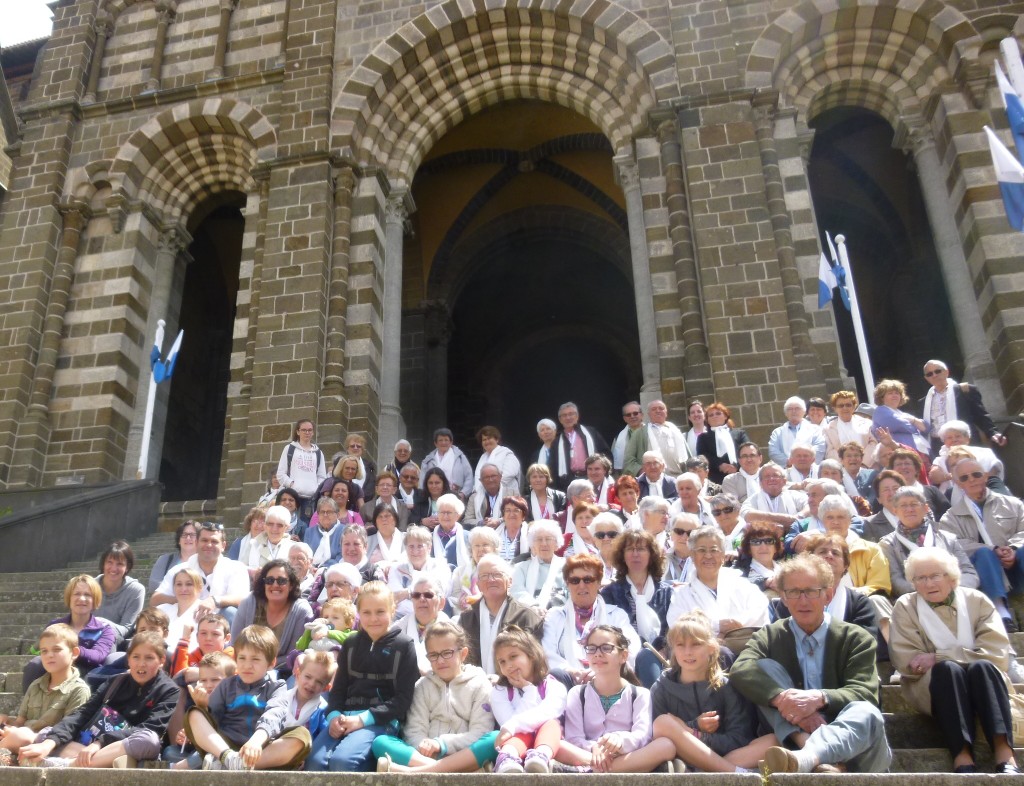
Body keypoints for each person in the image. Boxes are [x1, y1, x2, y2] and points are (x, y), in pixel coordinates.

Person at [730, 554, 892, 774]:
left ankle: (811, 756)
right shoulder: (770, 635)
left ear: (828, 595)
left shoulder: (856, 637)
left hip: (857, 754)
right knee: (764, 669)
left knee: (866, 711)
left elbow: (865, 692)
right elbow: (740, 669)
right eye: (794, 592)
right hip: (795, 745)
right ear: (783, 598)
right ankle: (811, 753)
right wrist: (783, 699)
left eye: (811, 591)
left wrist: (818, 698)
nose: (803, 600)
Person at [890, 547, 1019, 773]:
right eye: (920, 578)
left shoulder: (976, 600)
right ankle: (962, 754)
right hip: (933, 685)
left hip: (983, 679)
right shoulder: (905, 606)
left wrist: (939, 656)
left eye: (935, 576)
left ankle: (1004, 752)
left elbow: (995, 652)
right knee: (948, 670)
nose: (928, 584)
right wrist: (946, 661)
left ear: (951, 577)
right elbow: (908, 660)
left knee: (982, 667)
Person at [18, 632, 178, 769]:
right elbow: (83, 713)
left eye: (149, 658)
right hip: (90, 746)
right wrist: (50, 743)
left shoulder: (169, 690)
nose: (141, 664)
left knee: (149, 740)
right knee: (45, 734)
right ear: (128, 660)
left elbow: (151, 728)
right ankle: (90, 761)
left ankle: (69, 764)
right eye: (136, 657)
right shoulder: (116, 682)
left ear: (161, 661)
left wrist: (100, 743)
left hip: (125, 747)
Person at [307, 583, 419, 772]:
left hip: (380, 721)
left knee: (343, 762)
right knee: (315, 762)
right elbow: (338, 690)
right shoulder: (351, 643)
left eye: (380, 612)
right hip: (344, 717)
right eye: (367, 612)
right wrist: (334, 717)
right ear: (358, 613)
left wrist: (362, 720)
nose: (373, 619)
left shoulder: (404, 646)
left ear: (392, 610)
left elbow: (403, 699)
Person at [651, 612, 775, 773]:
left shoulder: (728, 687)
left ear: (712, 648)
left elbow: (740, 739)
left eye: (696, 644)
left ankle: (708, 773)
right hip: (683, 758)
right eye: (680, 645)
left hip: (727, 757)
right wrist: (695, 725)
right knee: (663, 723)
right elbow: (656, 739)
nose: (688, 652)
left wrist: (695, 733)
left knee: (772, 741)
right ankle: (734, 773)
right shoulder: (661, 688)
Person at [372, 621, 498, 773]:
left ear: (463, 654)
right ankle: (443, 772)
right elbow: (413, 732)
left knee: (494, 739)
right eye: (433, 655)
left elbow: (481, 732)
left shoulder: (480, 683)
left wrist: (442, 744)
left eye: (447, 653)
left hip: (466, 755)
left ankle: (414, 772)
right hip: (428, 757)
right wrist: (425, 746)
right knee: (381, 742)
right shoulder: (422, 686)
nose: (440, 660)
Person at [554, 625, 671, 773]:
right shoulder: (577, 693)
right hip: (590, 754)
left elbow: (643, 736)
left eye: (606, 648)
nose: (598, 654)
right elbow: (574, 738)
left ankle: (592, 771)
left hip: (627, 755)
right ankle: (603, 768)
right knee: (557, 744)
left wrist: (619, 741)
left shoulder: (640, 694)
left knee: (666, 745)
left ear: (623, 656)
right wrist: (596, 747)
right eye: (592, 648)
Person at [185, 625, 292, 771]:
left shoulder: (277, 687)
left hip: (260, 746)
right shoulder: (227, 685)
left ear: (271, 663)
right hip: (224, 746)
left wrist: (256, 741)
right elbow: (213, 720)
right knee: (194, 713)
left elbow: (274, 714)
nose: (247, 665)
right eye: (242, 658)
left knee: (302, 737)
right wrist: (203, 706)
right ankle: (229, 759)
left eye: (255, 659)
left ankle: (240, 764)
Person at [939, 457, 1024, 632]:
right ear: (958, 483)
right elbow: (953, 544)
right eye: (964, 477)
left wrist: (1013, 548)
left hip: (1015, 564)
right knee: (985, 554)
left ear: (985, 476)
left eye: (976, 474)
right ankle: (1002, 612)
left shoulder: (1013, 504)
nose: (971, 479)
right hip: (984, 571)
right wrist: (992, 549)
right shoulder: (951, 517)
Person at [541, 553, 641, 687]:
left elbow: (631, 648)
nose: (581, 585)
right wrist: (572, 672)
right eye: (575, 580)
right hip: (568, 682)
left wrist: (601, 671)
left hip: (610, 681)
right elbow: (547, 654)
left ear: (599, 583)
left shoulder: (616, 614)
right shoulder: (554, 616)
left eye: (588, 580)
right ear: (567, 584)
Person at [665, 526, 769, 654]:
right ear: (692, 555)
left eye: (714, 550)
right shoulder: (682, 594)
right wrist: (717, 626)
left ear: (723, 554)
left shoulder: (743, 585)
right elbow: (678, 626)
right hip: (704, 658)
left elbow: (760, 610)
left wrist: (735, 629)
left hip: (748, 652)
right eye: (701, 550)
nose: (708, 556)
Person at [0, 624, 91, 766]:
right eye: (44, 651)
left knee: (23, 735)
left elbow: (69, 731)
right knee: (19, 733)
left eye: (57, 649)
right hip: (22, 739)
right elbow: (20, 721)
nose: (49, 655)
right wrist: (8, 725)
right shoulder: (35, 685)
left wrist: (19, 735)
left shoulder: (79, 690)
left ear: (74, 653)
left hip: (52, 744)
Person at [600, 530, 673, 688]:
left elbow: (672, 629)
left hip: (662, 656)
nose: (635, 554)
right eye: (629, 549)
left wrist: (663, 651)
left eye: (641, 549)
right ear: (622, 555)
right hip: (624, 659)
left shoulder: (667, 592)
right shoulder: (609, 593)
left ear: (651, 555)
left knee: (647, 657)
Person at [491, 625, 568, 773]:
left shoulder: (554, 686)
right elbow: (511, 728)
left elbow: (547, 712)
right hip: (517, 744)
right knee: (521, 730)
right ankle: (507, 758)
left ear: (531, 655)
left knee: (550, 723)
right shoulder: (499, 692)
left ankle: (539, 758)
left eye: (513, 657)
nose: (508, 665)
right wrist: (529, 691)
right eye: (502, 661)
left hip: (549, 745)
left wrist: (512, 725)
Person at [878, 486, 977, 599]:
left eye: (914, 504)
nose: (909, 509)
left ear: (925, 508)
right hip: (917, 600)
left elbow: (968, 571)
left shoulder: (947, 538)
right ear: (895, 511)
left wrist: (952, 589)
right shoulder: (887, 545)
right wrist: (927, 592)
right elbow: (895, 580)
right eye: (903, 505)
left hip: (954, 595)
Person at [23, 575, 114, 691]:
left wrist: (70, 650)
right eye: (77, 594)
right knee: (35, 664)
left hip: (86, 673)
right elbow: (44, 650)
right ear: (69, 598)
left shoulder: (104, 629)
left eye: (87, 595)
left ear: (95, 600)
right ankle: (29, 701)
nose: (82, 598)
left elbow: (98, 655)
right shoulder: (55, 625)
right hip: (56, 669)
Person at [153, 523, 253, 625]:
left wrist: (214, 600)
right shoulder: (180, 570)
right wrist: (186, 599)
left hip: (219, 625)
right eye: (204, 540)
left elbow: (243, 598)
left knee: (231, 612)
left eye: (214, 541)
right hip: (185, 620)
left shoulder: (236, 568)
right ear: (196, 543)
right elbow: (155, 600)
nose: (209, 545)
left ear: (223, 546)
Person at [459, 554, 543, 672]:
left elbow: (536, 660)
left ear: (510, 581)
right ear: (478, 584)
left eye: (497, 574)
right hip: (476, 681)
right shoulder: (467, 618)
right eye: (484, 576)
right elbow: (462, 658)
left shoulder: (527, 616)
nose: (491, 580)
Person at [231, 561, 313, 674]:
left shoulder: (301, 611)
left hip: (282, 671)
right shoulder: (249, 603)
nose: (275, 585)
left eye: (281, 581)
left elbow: (294, 654)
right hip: (244, 667)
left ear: (291, 585)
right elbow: (235, 644)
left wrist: (263, 667)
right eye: (269, 580)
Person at [920, 359, 1005, 455]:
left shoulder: (964, 391)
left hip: (965, 443)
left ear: (946, 372)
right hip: (938, 447)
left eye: (937, 371)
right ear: (926, 378)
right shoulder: (924, 402)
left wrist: (993, 433)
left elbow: (980, 415)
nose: (934, 375)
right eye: (929, 374)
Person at [929, 420, 1007, 498]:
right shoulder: (940, 459)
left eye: (958, 436)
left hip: (986, 491)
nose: (954, 440)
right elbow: (934, 477)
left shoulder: (985, 452)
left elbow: (993, 475)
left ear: (967, 438)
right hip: (951, 496)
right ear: (944, 442)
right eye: (949, 437)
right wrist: (955, 476)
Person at [390, 575, 450, 675]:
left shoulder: (453, 630)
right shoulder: (398, 629)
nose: (421, 599)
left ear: (442, 602)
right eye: (416, 595)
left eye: (428, 595)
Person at [388, 526, 452, 612]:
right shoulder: (396, 568)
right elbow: (394, 598)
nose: (415, 551)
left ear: (429, 548)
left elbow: (441, 592)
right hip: (402, 615)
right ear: (406, 548)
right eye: (411, 546)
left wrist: (408, 592)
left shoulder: (440, 565)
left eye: (420, 546)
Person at [549, 401, 610, 490]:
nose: (568, 417)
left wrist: (604, 473)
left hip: (591, 477)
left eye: (571, 414)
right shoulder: (557, 441)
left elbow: (605, 454)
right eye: (564, 415)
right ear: (560, 419)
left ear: (577, 416)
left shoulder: (591, 433)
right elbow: (553, 466)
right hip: (568, 481)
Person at [276, 419, 328, 521]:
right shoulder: (289, 449)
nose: (307, 432)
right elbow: (281, 474)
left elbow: (322, 476)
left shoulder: (318, 453)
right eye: (304, 430)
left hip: (311, 500)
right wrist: (292, 485)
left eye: (310, 430)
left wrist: (316, 489)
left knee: (306, 527)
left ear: (313, 432)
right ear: (298, 432)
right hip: (292, 498)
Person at [95, 540, 146, 645]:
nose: (114, 568)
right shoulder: (89, 586)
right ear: (103, 564)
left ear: (127, 567)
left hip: (115, 643)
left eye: (120, 564)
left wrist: (99, 622)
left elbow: (126, 629)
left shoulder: (136, 590)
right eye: (109, 562)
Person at [510, 520, 567, 611]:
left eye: (548, 539)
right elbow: (517, 591)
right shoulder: (520, 568)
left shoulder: (567, 566)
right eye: (539, 539)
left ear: (556, 544)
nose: (543, 543)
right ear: (533, 545)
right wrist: (534, 607)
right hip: (531, 613)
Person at [625, 399, 689, 477]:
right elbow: (629, 460)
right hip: (653, 478)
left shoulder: (676, 431)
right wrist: (641, 471)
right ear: (649, 414)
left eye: (661, 408)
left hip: (678, 477)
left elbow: (688, 457)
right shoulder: (639, 433)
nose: (658, 411)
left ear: (666, 412)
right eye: (654, 409)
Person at [872, 379, 930, 460]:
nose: (894, 395)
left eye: (897, 393)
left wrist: (913, 421)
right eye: (890, 393)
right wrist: (915, 424)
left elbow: (926, 427)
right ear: (882, 397)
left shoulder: (902, 413)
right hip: (899, 455)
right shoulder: (880, 411)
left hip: (919, 452)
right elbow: (898, 424)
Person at [739, 463, 807, 530]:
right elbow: (747, 515)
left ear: (784, 481)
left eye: (775, 475)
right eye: (767, 476)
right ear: (760, 483)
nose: (771, 479)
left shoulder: (794, 495)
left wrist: (800, 516)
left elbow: (809, 506)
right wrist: (788, 519)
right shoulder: (753, 499)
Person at [449, 526, 500, 613]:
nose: (480, 549)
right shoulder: (460, 571)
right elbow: (455, 594)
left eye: (485, 545)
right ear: (471, 550)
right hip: (464, 614)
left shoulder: (503, 571)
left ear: (494, 548)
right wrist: (465, 601)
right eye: (476, 545)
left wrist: (479, 599)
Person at [696, 402, 749, 484]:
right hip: (716, 478)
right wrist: (720, 465)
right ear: (707, 420)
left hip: (740, 474)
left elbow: (747, 450)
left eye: (718, 413)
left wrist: (736, 466)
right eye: (711, 415)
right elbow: (702, 456)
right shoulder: (703, 437)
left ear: (725, 416)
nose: (715, 416)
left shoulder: (739, 434)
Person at [823, 391, 878, 465]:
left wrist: (863, 463)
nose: (845, 408)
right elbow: (830, 451)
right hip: (842, 468)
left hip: (866, 466)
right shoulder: (828, 429)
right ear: (835, 408)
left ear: (854, 406)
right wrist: (845, 464)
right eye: (841, 406)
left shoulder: (868, 423)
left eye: (848, 405)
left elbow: (873, 444)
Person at [767, 397, 826, 465]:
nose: (793, 411)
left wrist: (805, 464)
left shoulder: (815, 430)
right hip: (786, 469)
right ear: (786, 413)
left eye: (797, 408)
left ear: (804, 412)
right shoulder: (777, 432)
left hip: (810, 468)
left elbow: (820, 448)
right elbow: (773, 451)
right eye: (790, 409)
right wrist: (788, 462)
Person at [157, 568, 204, 651]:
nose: (183, 589)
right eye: (179, 584)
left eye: (189, 584)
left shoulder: (205, 614)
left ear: (200, 587)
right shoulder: (161, 610)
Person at [420, 428, 473, 498]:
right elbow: (422, 480)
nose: (443, 443)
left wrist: (463, 494)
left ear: (451, 442)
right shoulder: (428, 460)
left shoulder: (460, 457)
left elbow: (469, 477)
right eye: (440, 440)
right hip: (433, 496)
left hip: (456, 496)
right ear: (435, 443)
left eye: (446, 440)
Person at [150, 520, 200, 593]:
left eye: (192, 535)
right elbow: (154, 584)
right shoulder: (165, 560)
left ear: (199, 539)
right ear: (179, 540)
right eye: (184, 534)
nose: (188, 538)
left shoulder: (205, 562)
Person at [733, 524, 783, 595]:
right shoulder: (740, 573)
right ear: (749, 549)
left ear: (775, 548)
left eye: (769, 541)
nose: (763, 547)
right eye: (756, 542)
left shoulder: (786, 568)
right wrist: (766, 583)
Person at [248, 505, 300, 570]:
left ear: (287, 527)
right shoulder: (253, 544)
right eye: (270, 524)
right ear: (265, 525)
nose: (274, 529)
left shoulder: (294, 548)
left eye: (280, 525)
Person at [464, 463, 515, 528]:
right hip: (482, 531)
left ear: (500, 477)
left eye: (493, 476)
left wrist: (499, 521)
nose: (490, 480)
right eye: (486, 477)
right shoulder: (474, 497)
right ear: (481, 480)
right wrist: (482, 522)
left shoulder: (512, 493)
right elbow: (467, 520)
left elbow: (517, 514)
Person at [473, 425, 521, 494]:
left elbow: (510, 473)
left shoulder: (506, 453)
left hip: (507, 494)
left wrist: (491, 488)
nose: (487, 441)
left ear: (497, 439)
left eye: (489, 438)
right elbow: (478, 477)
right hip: (485, 495)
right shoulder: (483, 457)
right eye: (484, 440)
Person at [862, 469, 905, 542]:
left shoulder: (916, 516)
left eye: (895, 488)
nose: (892, 493)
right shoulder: (870, 524)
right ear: (879, 499)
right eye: (886, 490)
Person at [432, 493, 470, 568]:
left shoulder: (468, 537)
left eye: (449, 513)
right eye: (442, 512)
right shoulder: (429, 538)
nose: (445, 516)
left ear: (457, 515)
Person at [304, 498, 342, 569]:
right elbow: (305, 555)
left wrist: (322, 568)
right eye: (322, 512)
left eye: (329, 512)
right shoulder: (309, 532)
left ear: (337, 514)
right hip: (311, 569)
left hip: (335, 569)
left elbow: (342, 556)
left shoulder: (344, 531)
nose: (325, 515)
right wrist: (311, 568)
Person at [664, 513, 698, 584]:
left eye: (690, 533)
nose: (684, 537)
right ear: (671, 533)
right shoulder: (661, 560)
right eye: (679, 531)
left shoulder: (705, 561)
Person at [494, 496, 530, 560]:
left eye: (516, 510)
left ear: (523, 515)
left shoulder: (530, 533)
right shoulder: (494, 534)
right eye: (508, 510)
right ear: (503, 515)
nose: (512, 514)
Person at [612, 402, 644, 473]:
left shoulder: (650, 432)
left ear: (642, 415)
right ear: (624, 419)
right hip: (628, 475)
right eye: (628, 415)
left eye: (635, 413)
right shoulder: (618, 438)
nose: (632, 416)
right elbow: (614, 461)